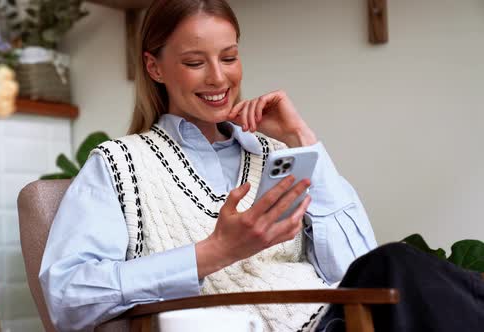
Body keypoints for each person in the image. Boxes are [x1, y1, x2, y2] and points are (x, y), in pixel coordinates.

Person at [39, 1, 483, 331]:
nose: (219, 78)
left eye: (229, 57)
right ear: (154, 67)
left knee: (404, 269)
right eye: (195, 62)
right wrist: (216, 252)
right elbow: (66, 296)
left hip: (340, 319)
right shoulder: (117, 165)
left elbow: (353, 267)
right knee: (398, 264)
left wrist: (301, 139)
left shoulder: (276, 153)